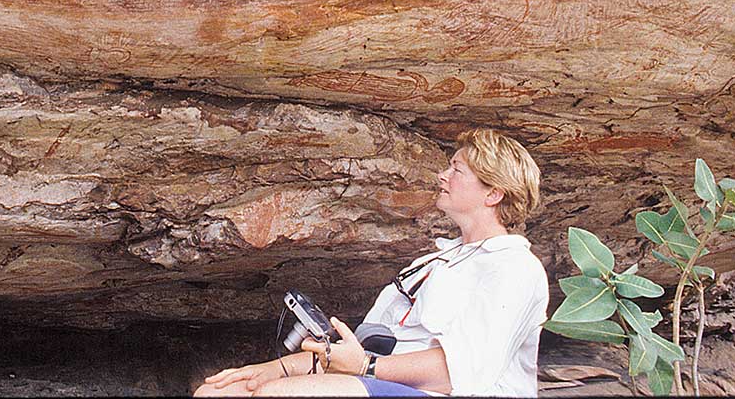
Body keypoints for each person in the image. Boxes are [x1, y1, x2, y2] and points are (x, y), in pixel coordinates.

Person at [195, 129, 547, 398]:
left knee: (282, 396)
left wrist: (366, 367)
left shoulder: (515, 268)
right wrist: (271, 369)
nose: (442, 175)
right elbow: (359, 349)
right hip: (383, 379)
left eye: (456, 169)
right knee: (217, 393)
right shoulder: (434, 261)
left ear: (493, 193)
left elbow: (458, 373)